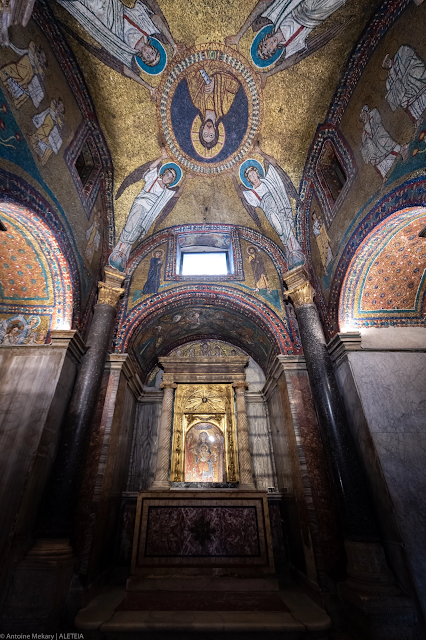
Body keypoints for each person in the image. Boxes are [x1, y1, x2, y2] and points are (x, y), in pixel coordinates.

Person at [56, 0, 181, 96]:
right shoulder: (146, 29)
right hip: (113, 8)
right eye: (152, 52)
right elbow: (156, 19)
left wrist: (149, 87)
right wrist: (174, 45)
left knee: (86, 6)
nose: (148, 53)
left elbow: (126, 70)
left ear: (143, 59)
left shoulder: (127, 52)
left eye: (148, 57)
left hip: (104, 24)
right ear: (152, 47)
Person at [226, 0, 348, 83]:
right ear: (274, 52)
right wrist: (268, 74)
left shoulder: (273, 18)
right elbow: (292, 60)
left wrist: (239, 36)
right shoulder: (289, 47)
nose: (270, 44)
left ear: (265, 38)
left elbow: (262, 5)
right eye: (269, 50)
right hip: (315, 15)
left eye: (265, 44)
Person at [109, 150, 186, 272]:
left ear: (171, 181)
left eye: (171, 178)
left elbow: (177, 194)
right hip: (140, 204)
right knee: (130, 227)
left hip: (148, 213)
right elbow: (151, 168)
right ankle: (117, 251)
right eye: (167, 175)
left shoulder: (166, 192)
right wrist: (162, 157)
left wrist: (186, 179)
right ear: (163, 174)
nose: (167, 178)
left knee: (136, 232)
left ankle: (123, 255)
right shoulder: (154, 178)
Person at [238, 146, 305, 268]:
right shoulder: (252, 193)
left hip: (278, 205)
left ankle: (295, 251)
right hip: (268, 210)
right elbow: (241, 195)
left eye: (254, 174)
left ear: (257, 174)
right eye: (250, 176)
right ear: (249, 180)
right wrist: (233, 177)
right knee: (279, 229)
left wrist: (260, 152)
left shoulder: (267, 181)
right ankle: (288, 250)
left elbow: (273, 162)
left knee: (285, 225)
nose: (253, 177)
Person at [186, 60, 240, 150]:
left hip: (202, 61)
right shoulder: (223, 108)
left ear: (202, 128)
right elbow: (235, 85)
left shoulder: (197, 102)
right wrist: (216, 81)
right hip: (222, 62)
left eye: (205, 134)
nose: (208, 129)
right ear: (215, 129)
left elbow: (190, 74)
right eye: (211, 134)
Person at [359, 105, 408, 180]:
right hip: (375, 146)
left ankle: (401, 150)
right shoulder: (365, 131)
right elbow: (365, 141)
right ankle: (383, 175)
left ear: (367, 112)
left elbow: (377, 120)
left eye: (363, 114)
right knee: (373, 156)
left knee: (383, 138)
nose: (363, 117)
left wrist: (371, 121)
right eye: (362, 117)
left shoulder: (373, 113)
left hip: (380, 135)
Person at [383, 46, 426, 128]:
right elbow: (393, 93)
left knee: (416, 74)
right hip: (406, 88)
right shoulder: (389, 79)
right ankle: (418, 118)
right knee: (403, 102)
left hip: (413, 74)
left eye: (386, 61)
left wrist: (404, 75)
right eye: (385, 64)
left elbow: (410, 56)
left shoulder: (400, 54)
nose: (387, 63)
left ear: (389, 58)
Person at [0, 41, 46, 109]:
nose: (40, 58)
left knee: (26, 92)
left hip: (23, 81)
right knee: (6, 71)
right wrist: (10, 44)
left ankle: (13, 97)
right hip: (15, 70)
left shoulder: (38, 70)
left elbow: (36, 81)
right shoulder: (30, 53)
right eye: (41, 55)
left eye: (43, 59)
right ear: (38, 51)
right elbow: (19, 51)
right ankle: (9, 89)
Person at [31, 99, 65, 165]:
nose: (60, 108)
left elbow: (60, 125)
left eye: (62, 108)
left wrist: (58, 119)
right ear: (57, 104)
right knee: (47, 127)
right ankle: (35, 140)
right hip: (47, 123)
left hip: (51, 130)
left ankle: (43, 157)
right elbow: (52, 103)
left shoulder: (59, 118)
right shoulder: (53, 107)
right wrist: (56, 110)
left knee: (54, 142)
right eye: (60, 105)